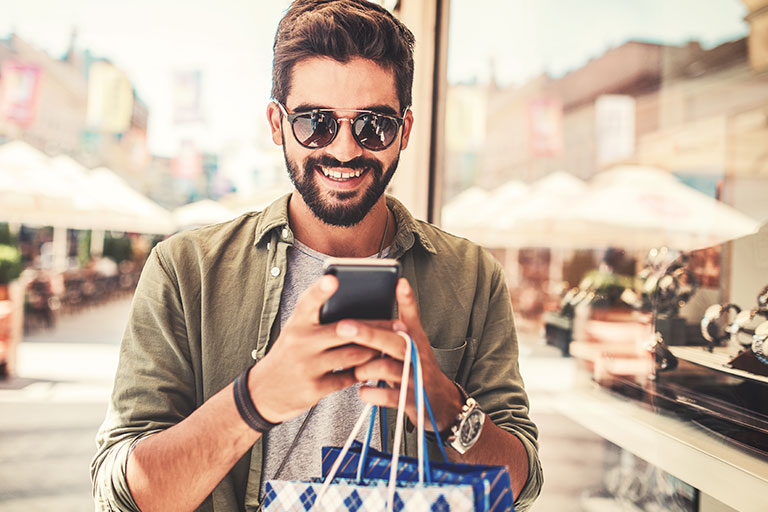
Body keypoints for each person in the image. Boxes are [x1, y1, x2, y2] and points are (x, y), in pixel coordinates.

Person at [91, 1, 542, 510]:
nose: (345, 150)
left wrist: (445, 406)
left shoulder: (473, 276)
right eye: (315, 122)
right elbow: (124, 495)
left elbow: (520, 482)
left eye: (374, 125)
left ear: (407, 130)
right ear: (277, 123)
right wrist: (256, 398)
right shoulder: (184, 271)